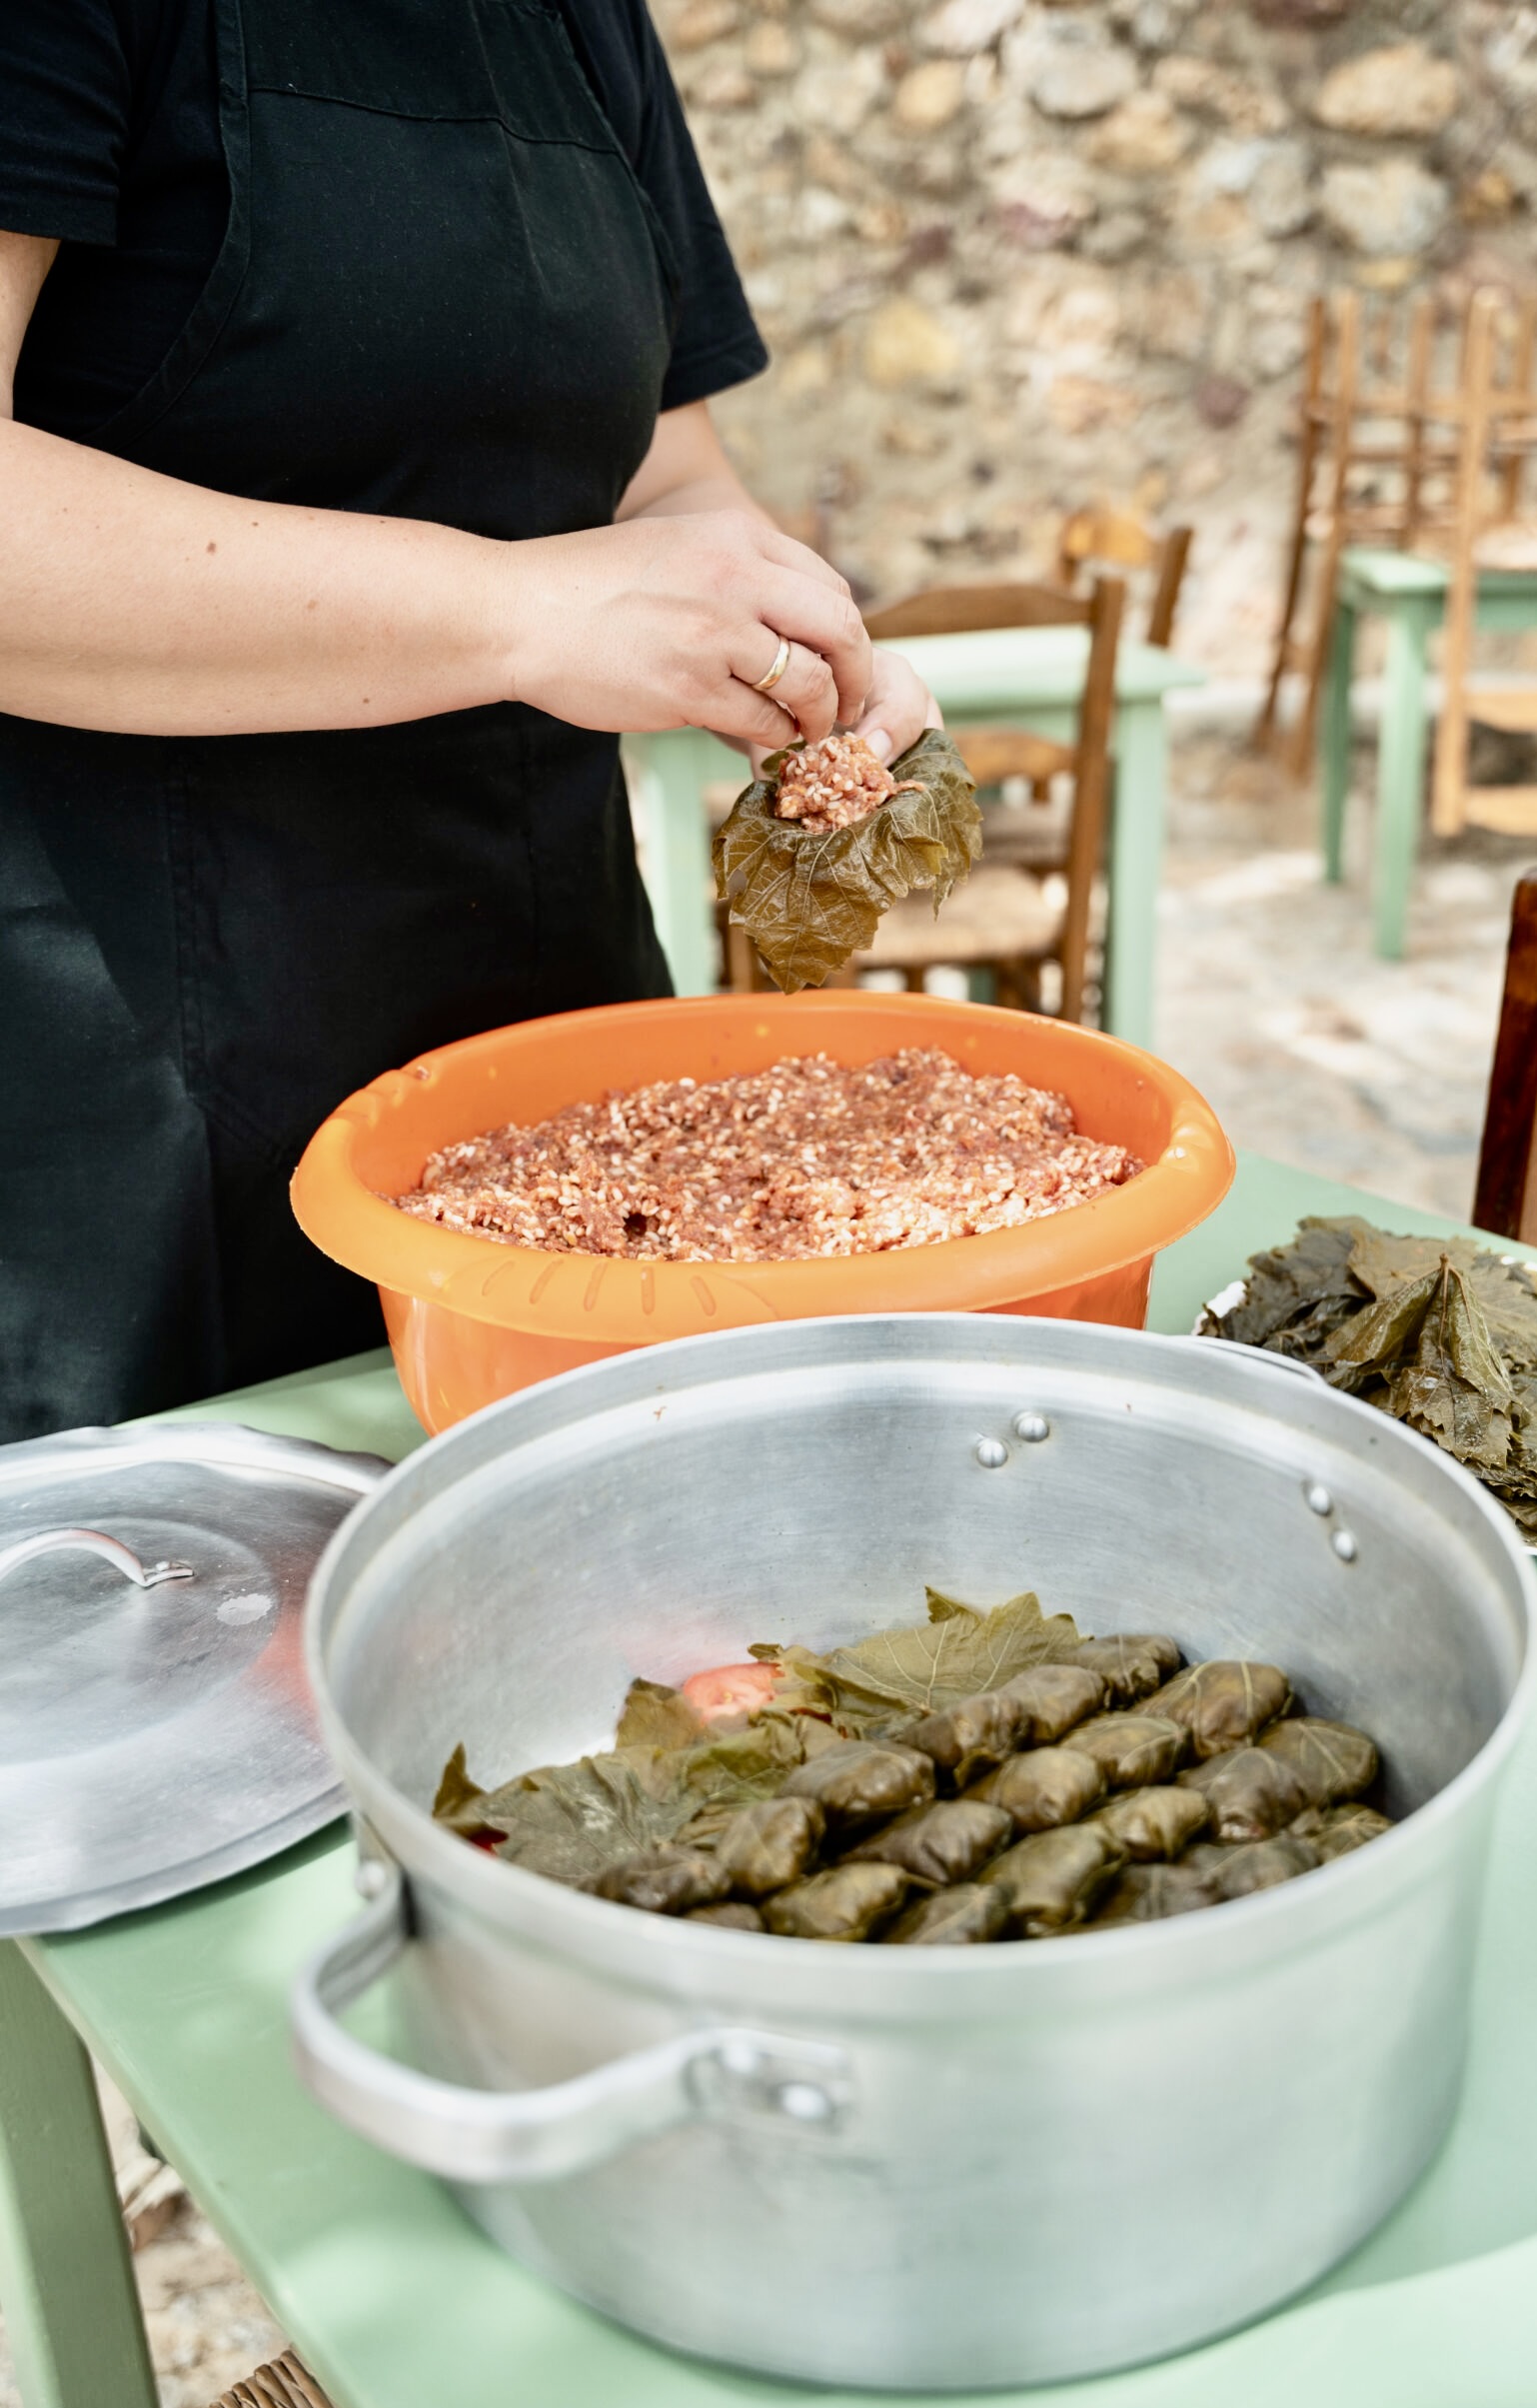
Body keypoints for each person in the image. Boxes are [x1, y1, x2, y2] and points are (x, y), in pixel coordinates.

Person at [0, 0, 935, 1444]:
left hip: (554, 1030)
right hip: (135, 1102)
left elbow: (669, 476)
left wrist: (799, 647)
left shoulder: (584, 21)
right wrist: (521, 614)